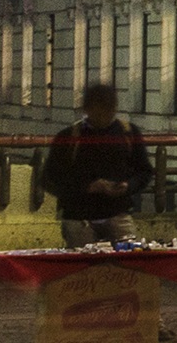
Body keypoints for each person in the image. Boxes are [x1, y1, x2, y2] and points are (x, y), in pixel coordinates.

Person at [39, 83, 156, 247]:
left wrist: (127, 186)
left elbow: (144, 171)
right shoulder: (69, 137)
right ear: (87, 109)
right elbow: (50, 178)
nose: (104, 116)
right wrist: (88, 187)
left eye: (108, 110)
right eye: (99, 110)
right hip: (80, 217)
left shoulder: (128, 133)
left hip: (115, 212)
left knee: (125, 263)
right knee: (91, 266)